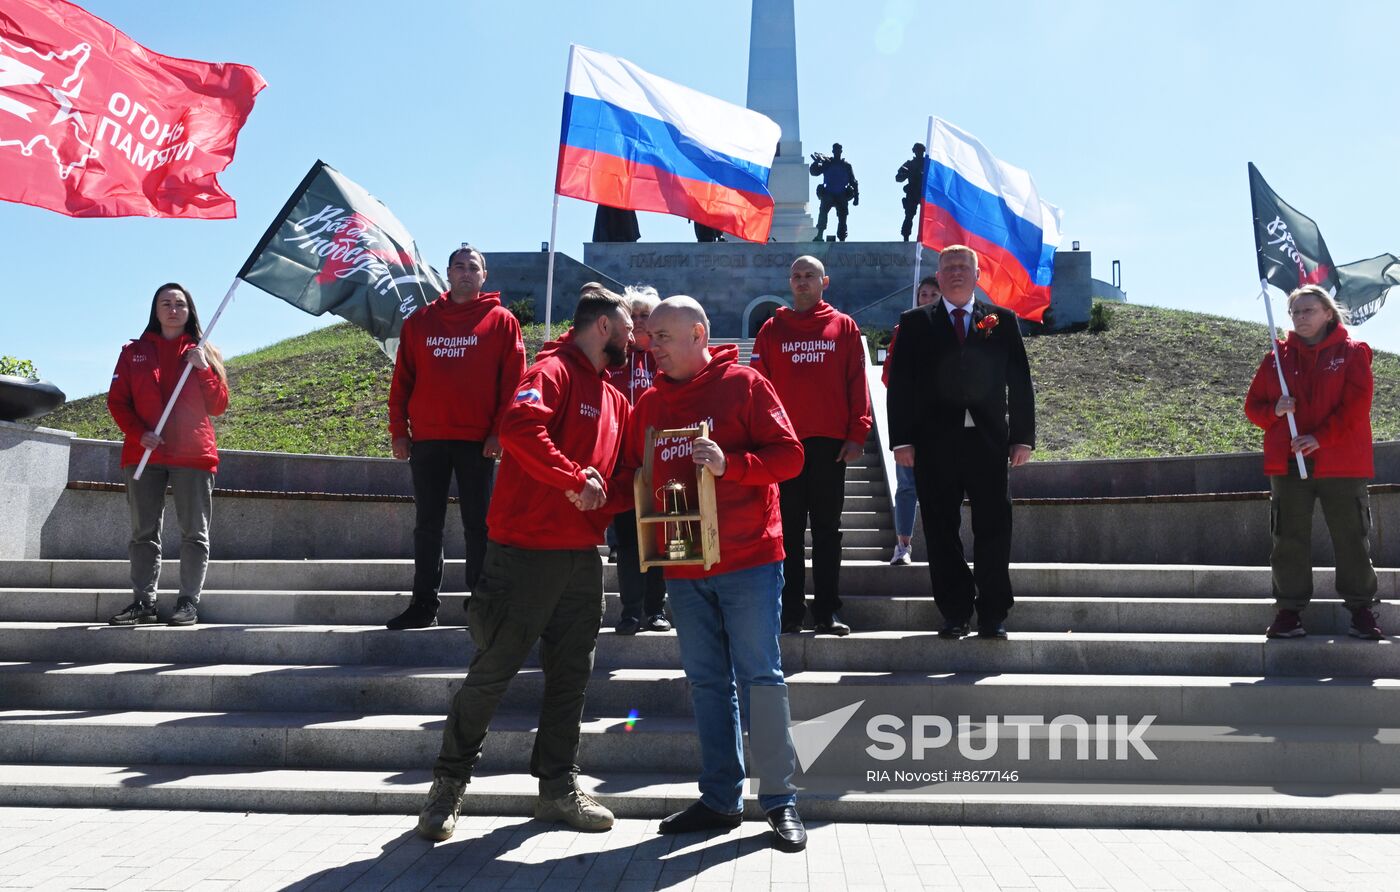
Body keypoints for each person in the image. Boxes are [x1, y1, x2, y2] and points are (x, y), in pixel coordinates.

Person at [416, 286, 634, 841]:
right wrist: (573, 479)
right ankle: (448, 785)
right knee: (492, 673)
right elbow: (518, 429)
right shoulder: (552, 371)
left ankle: (558, 787)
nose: (635, 338)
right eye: (629, 327)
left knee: (572, 677)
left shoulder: (615, 400)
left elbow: (619, 481)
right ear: (604, 326)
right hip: (523, 554)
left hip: (582, 558)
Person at [615, 296, 808, 852]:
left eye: (663, 338)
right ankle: (720, 798)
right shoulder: (649, 402)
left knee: (760, 678)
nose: (651, 348)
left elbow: (790, 457)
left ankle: (779, 800)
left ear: (700, 334)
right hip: (683, 559)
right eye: (649, 338)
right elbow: (633, 469)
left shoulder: (746, 385)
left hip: (749, 558)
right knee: (705, 683)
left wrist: (732, 465)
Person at [886, 245, 1035, 640]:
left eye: (962, 266)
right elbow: (900, 386)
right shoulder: (915, 322)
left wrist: (1022, 437)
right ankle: (954, 610)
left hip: (989, 443)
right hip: (935, 443)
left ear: (977, 274)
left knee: (994, 526)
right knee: (939, 528)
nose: (955, 272)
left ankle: (993, 613)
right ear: (938, 273)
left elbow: (1019, 382)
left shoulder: (1000, 321)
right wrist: (901, 440)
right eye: (948, 266)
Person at [385, 245, 525, 630]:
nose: (465, 273)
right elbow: (402, 382)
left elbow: (512, 384)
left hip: (477, 441)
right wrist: (400, 431)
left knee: (478, 525)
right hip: (428, 440)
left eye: (473, 267)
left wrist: (499, 432)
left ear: (484, 276)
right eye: (459, 267)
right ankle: (423, 605)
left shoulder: (501, 321)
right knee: (426, 525)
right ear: (447, 273)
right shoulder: (420, 322)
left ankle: (480, 606)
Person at [1244, 285, 1382, 640]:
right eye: (1295, 312)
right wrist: (1274, 411)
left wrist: (1320, 438)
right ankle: (1289, 611)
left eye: (1309, 310)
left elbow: (1355, 407)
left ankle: (1361, 609)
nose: (1301, 317)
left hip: (1340, 461)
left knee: (1351, 535)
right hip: (1290, 464)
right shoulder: (1276, 357)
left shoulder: (1352, 353)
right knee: (1287, 537)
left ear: (1327, 313)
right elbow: (1253, 407)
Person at [751, 256, 872, 635]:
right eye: (796, 276)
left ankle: (827, 612)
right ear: (790, 282)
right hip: (783, 447)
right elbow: (756, 388)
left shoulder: (844, 327)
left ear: (825, 281)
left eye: (810, 276)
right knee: (785, 533)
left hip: (829, 446)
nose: (802, 282)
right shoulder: (771, 329)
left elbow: (858, 382)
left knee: (826, 530)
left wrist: (858, 433)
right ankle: (790, 613)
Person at [106, 284, 229, 627]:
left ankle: (188, 602)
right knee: (143, 532)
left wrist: (203, 368)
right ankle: (143, 602)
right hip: (145, 452)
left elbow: (219, 405)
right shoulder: (133, 352)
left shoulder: (205, 351)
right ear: (155, 310)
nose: (173, 308)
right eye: (166, 303)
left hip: (193, 454)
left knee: (194, 532)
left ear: (190, 310)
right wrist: (138, 433)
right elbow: (117, 401)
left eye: (180, 303)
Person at [605, 285, 670, 635]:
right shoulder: (614, 356)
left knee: (658, 540)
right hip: (623, 462)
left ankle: (655, 609)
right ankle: (630, 610)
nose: (642, 321)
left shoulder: (666, 358)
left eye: (648, 315)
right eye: (636, 315)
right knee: (629, 542)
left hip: (660, 461)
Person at [882, 276, 941, 565]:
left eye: (932, 294)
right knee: (907, 485)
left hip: (943, 421)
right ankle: (902, 545)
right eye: (923, 294)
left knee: (943, 486)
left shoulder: (951, 330)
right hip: (912, 422)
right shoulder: (903, 329)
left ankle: (943, 544)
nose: (927, 298)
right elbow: (888, 377)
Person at [809, 143, 858, 242]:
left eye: (838, 150)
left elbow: (853, 182)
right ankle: (819, 235)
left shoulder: (847, 166)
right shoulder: (827, 163)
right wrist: (816, 162)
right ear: (833, 151)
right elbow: (814, 172)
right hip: (828, 193)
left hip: (841, 194)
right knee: (822, 213)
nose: (837, 152)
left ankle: (842, 238)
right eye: (835, 150)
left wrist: (856, 197)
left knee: (843, 217)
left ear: (841, 151)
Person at [895, 142, 926, 242]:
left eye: (920, 151)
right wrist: (904, 173)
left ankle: (926, 238)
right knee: (909, 216)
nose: (919, 153)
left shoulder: (927, 164)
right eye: (917, 150)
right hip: (912, 192)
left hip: (924, 193)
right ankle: (906, 237)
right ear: (914, 151)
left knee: (927, 217)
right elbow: (898, 178)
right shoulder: (910, 164)